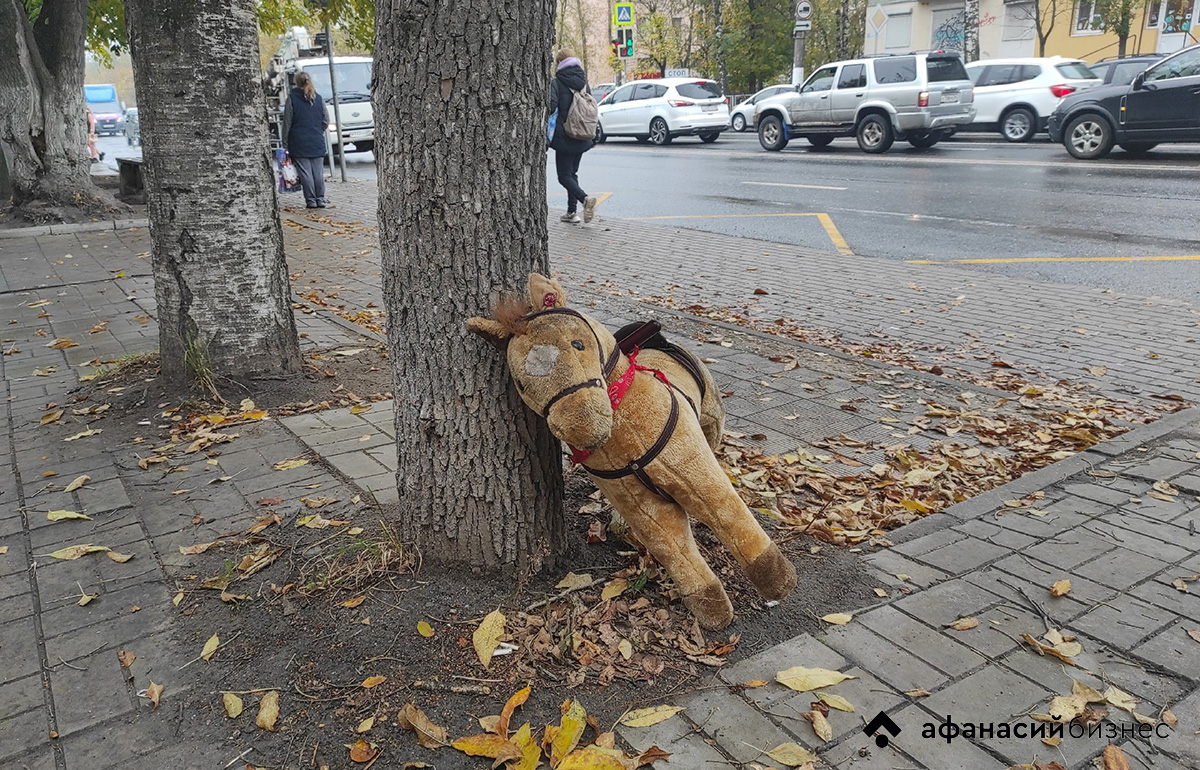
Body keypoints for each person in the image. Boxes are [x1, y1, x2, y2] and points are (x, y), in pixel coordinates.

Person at [549, 49, 597, 224]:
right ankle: (571, 212)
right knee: (572, 173)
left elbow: (552, 105)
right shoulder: (583, 81)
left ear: (558, 63)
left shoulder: (556, 81)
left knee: (564, 176)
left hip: (566, 136)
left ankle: (584, 199)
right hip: (584, 135)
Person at [282, 71, 330, 209]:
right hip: (317, 141)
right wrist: (317, 130)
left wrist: (285, 144)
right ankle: (320, 199)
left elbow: (287, 124)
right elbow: (326, 120)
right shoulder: (318, 98)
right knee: (318, 173)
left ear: (296, 82)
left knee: (305, 173)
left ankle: (311, 201)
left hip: (298, 142)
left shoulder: (292, 99)